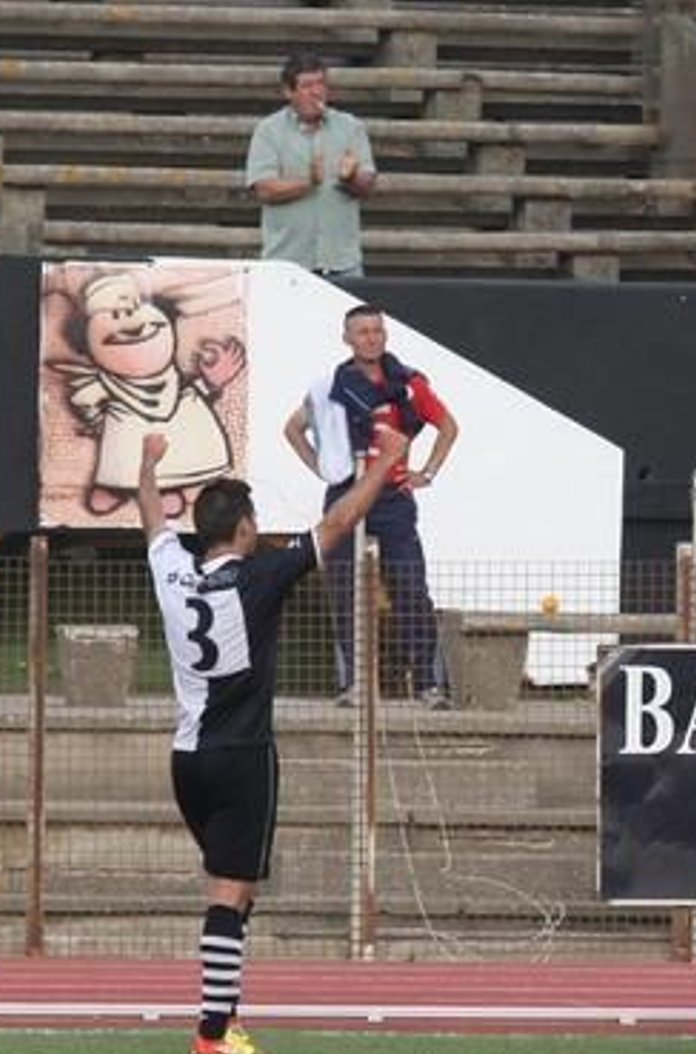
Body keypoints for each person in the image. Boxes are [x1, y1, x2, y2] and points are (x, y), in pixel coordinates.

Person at [138, 424, 406, 1054]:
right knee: (229, 893)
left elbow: (149, 516)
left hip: (188, 759)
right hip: (242, 758)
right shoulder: (261, 577)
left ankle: (225, 1015)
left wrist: (148, 464)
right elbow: (339, 522)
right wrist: (387, 461)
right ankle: (212, 1032)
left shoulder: (173, 571)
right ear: (244, 529)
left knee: (238, 891)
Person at [284, 303, 459, 708]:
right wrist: (321, 469)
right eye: (362, 332)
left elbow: (448, 427)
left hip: (393, 498)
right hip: (346, 494)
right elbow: (293, 429)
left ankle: (428, 684)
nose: (371, 338)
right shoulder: (332, 388)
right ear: (347, 338)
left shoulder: (408, 384)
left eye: (377, 330)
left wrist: (427, 473)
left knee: (410, 587)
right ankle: (354, 684)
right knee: (344, 590)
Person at [246, 52, 377, 277]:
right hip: (286, 265)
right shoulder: (268, 131)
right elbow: (264, 190)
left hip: (342, 264)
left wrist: (350, 179)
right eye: (307, 86)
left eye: (321, 83)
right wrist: (309, 183)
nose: (317, 92)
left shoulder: (350, 127)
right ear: (288, 92)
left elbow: (367, 187)